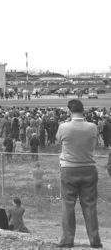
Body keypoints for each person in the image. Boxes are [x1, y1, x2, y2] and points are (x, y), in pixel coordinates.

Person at [56, 99, 102, 248]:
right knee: (90, 206)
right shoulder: (92, 127)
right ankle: (95, 240)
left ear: (70, 111)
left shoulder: (64, 127)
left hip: (69, 168)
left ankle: (67, 240)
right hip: (88, 167)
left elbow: (58, 141)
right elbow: (94, 144)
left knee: (68, 205)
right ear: (83, 110)